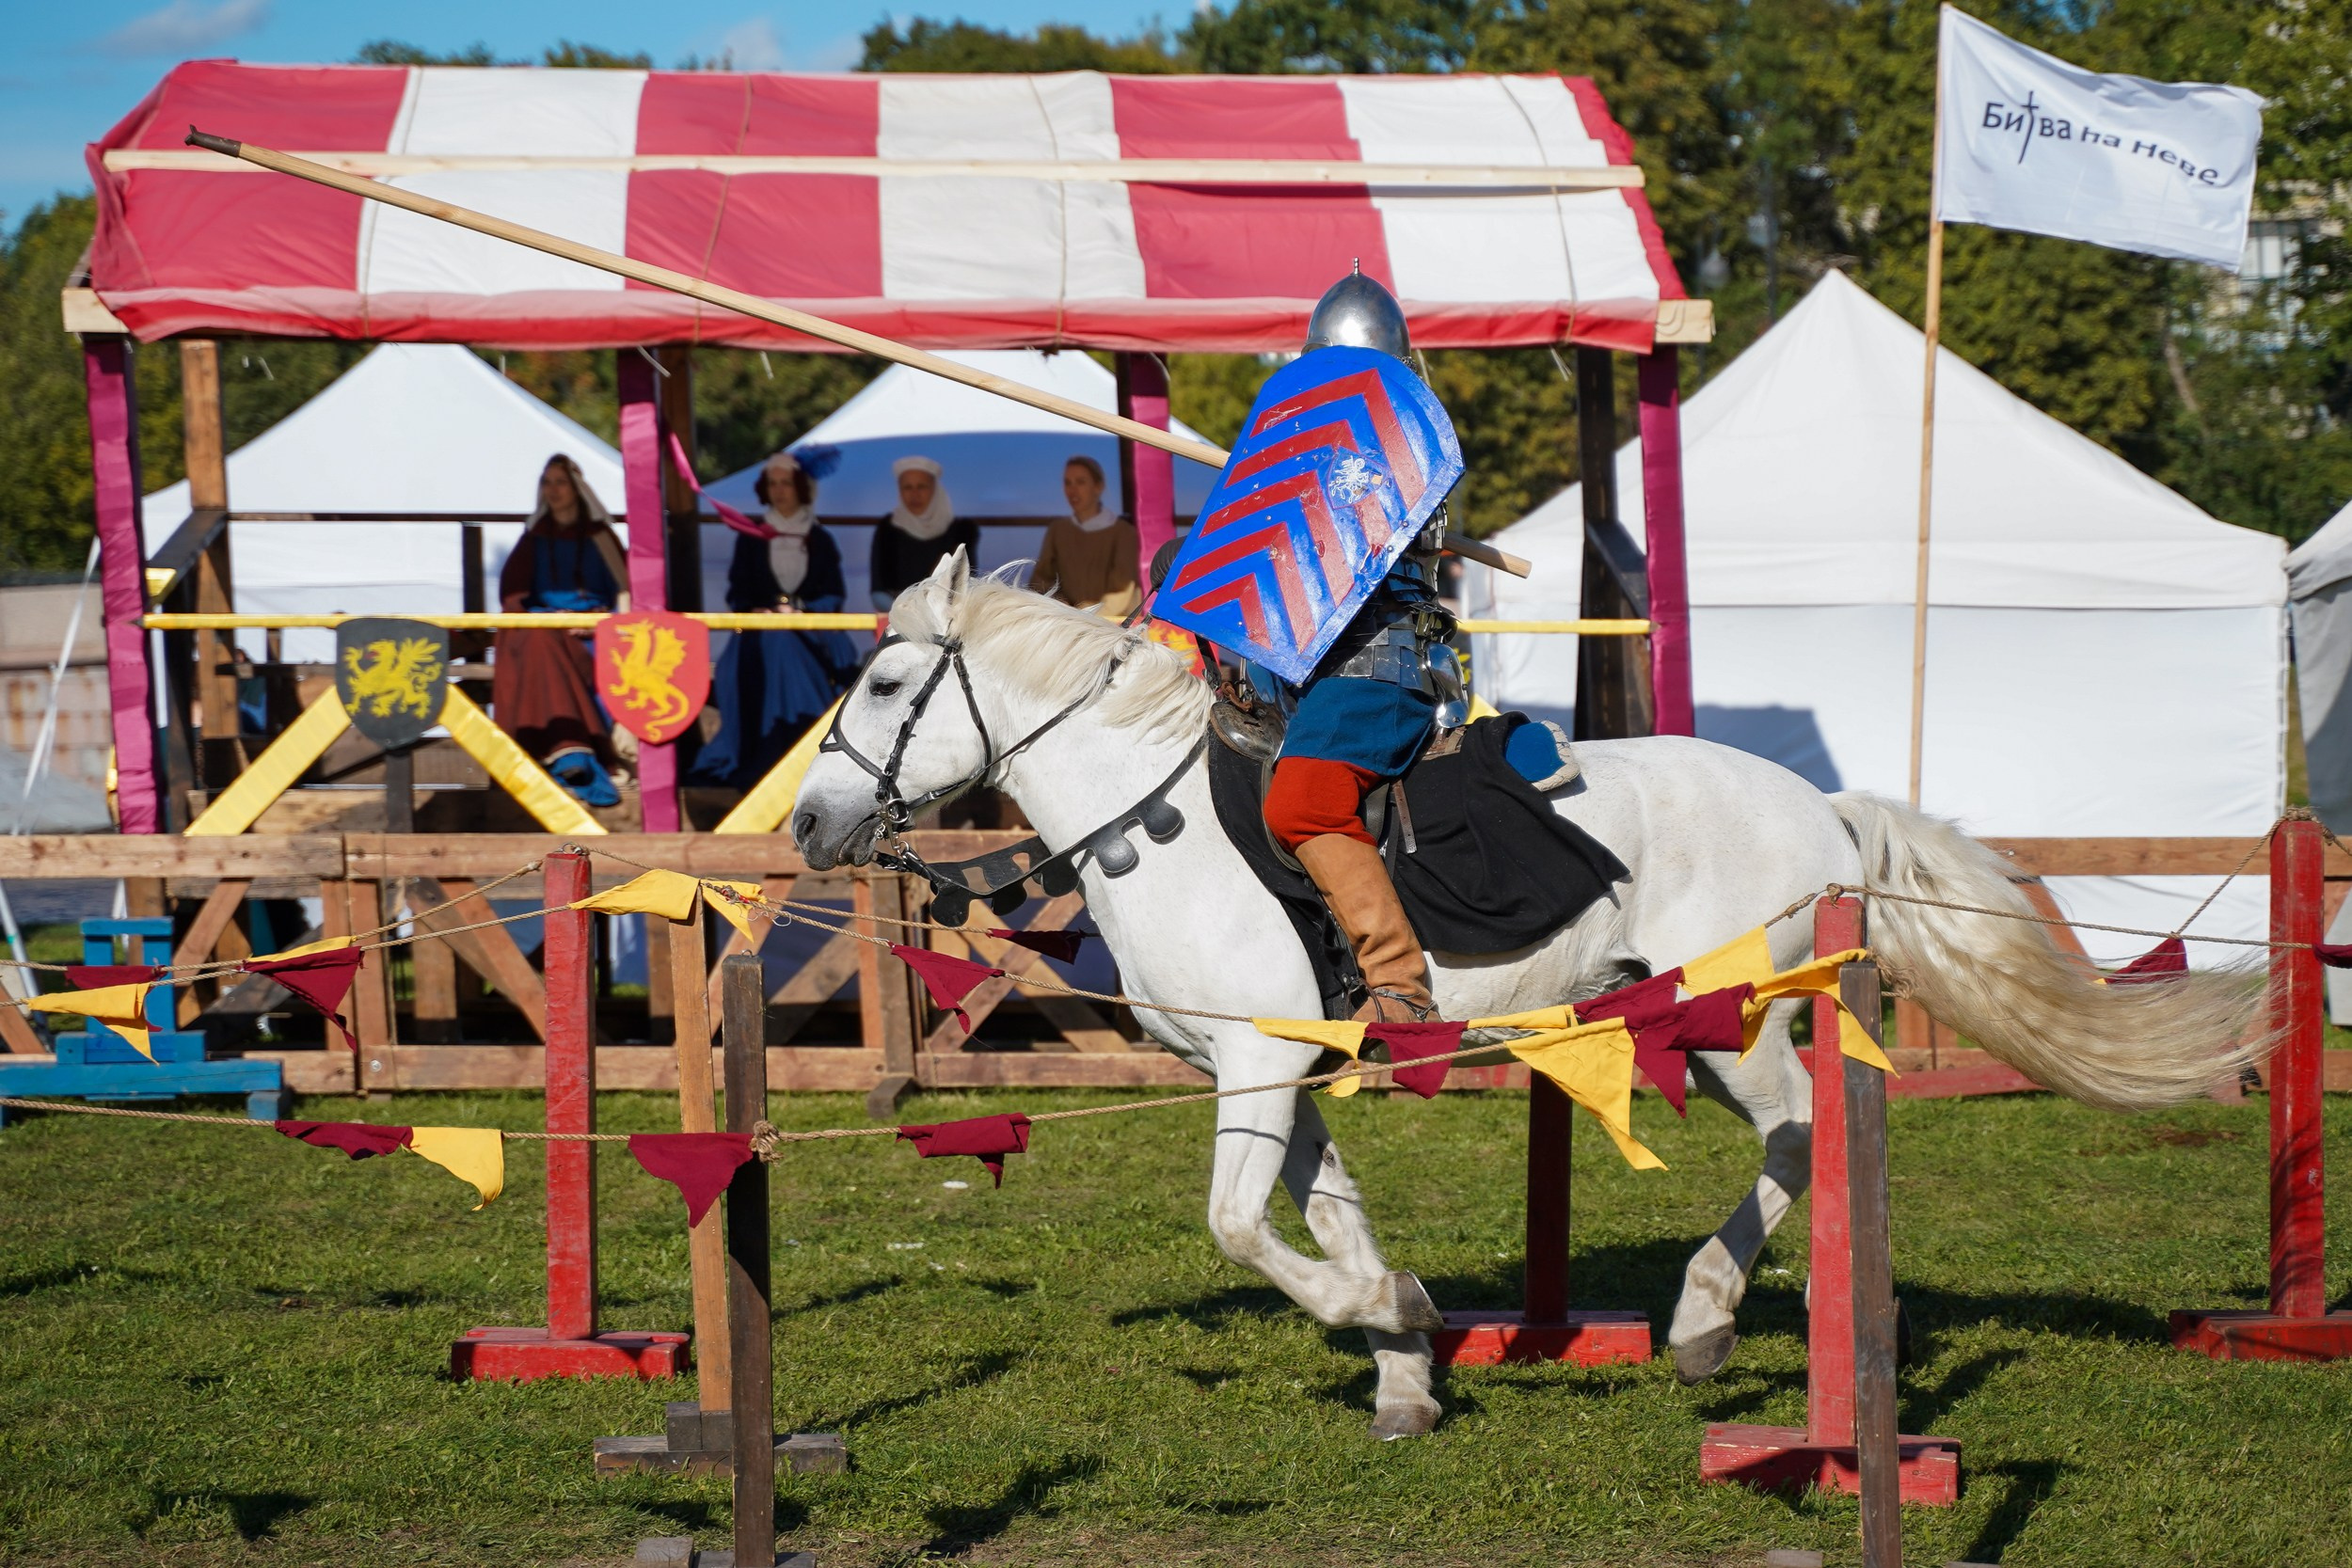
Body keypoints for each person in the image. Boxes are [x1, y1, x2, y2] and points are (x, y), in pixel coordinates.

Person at [1256, 273, 1452, 1022]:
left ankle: (1399, 984)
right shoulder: (1301, 436)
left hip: (1378, 657)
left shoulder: (1407, 438)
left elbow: (1351, 533)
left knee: (1303, 799)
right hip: (1296, 662)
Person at [691, 452, 858, 789]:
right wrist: (757, 611)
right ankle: (769, 746)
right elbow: (738, 590)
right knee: (755, 654)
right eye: (773, 483)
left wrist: (803, 613)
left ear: (800, 488)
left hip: (811, 629)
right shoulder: (751, 535)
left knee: (789, 642)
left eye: (786, 483)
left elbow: (833, 595)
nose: (780, 490)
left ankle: (803, 740)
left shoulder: (819, 538)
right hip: (762, 629)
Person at [492, 454, 628, 807]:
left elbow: (630, 596)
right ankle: (567, 756)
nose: (553, 491)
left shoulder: (601, 537)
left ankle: (570, 754)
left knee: (544, 644)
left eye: (560, 482)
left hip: (595, 637)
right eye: (547, 483)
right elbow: (513, 596)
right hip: (545, 629)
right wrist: (548, 617)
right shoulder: (534, 538)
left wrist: (599, 620)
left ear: (577, 489)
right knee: (537, 640)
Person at [1029, 454, 1141, 618]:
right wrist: (1059, 603)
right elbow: (1041, 578)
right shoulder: (1058, 530)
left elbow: (1121, 592)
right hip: (1066, 621)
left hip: (1112, 626)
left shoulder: (1123, 532)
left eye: (1080, 482)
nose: (1072, 490)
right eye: (1068, 483)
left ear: (1098, 486)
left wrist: (1088, 618)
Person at [869, 454, 978, 610]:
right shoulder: (887, 530)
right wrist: (904, 615)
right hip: (898, 617)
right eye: (907, 487)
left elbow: (967, 581)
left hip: (945, 617)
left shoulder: (960, 531)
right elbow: (878, 590)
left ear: (935, 489)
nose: (915, 494)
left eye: (922, 486)